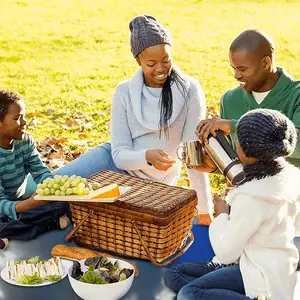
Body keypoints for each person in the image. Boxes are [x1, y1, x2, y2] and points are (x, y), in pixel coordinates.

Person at [52, 15, 213, 222]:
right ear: (138, 60)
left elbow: (193, 156)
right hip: (112, 163)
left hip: (149, 187)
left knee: (75, 209)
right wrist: (146, 156)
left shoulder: (190, 90)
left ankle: (55, 218)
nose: (160, 69)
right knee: (50, 188)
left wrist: (205, 211)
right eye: (151, 63)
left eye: (166, 60)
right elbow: (119, 155)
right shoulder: (125, 92)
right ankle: (12, 214)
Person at [165, 108, 300, 300]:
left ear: (246, 151)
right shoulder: (290, 178)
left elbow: (226, 252)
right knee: (175, 274)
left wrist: (222, 215)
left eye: (238, 141)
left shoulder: (251, 197)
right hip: (274, 265)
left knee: (189, 293)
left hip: (258, 273)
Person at [195, 29, 300, 169]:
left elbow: (297, 145)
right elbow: (237, 160)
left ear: (265, 63)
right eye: (234, 68)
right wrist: (215, 166)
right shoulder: (230, 100)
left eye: (242, 69)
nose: (236, 75)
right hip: (249, 188)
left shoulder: (296, 95)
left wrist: (235, 126)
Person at [0, 90, 70, 244]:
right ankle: (48, 225)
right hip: (5, 207)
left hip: (21, 201)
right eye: (17, 118)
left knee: (64, 203)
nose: (24, 122)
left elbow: (39, 171)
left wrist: (53, 189)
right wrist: (30, 204)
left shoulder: (25, 141)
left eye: (24, 116)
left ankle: (12, 231)